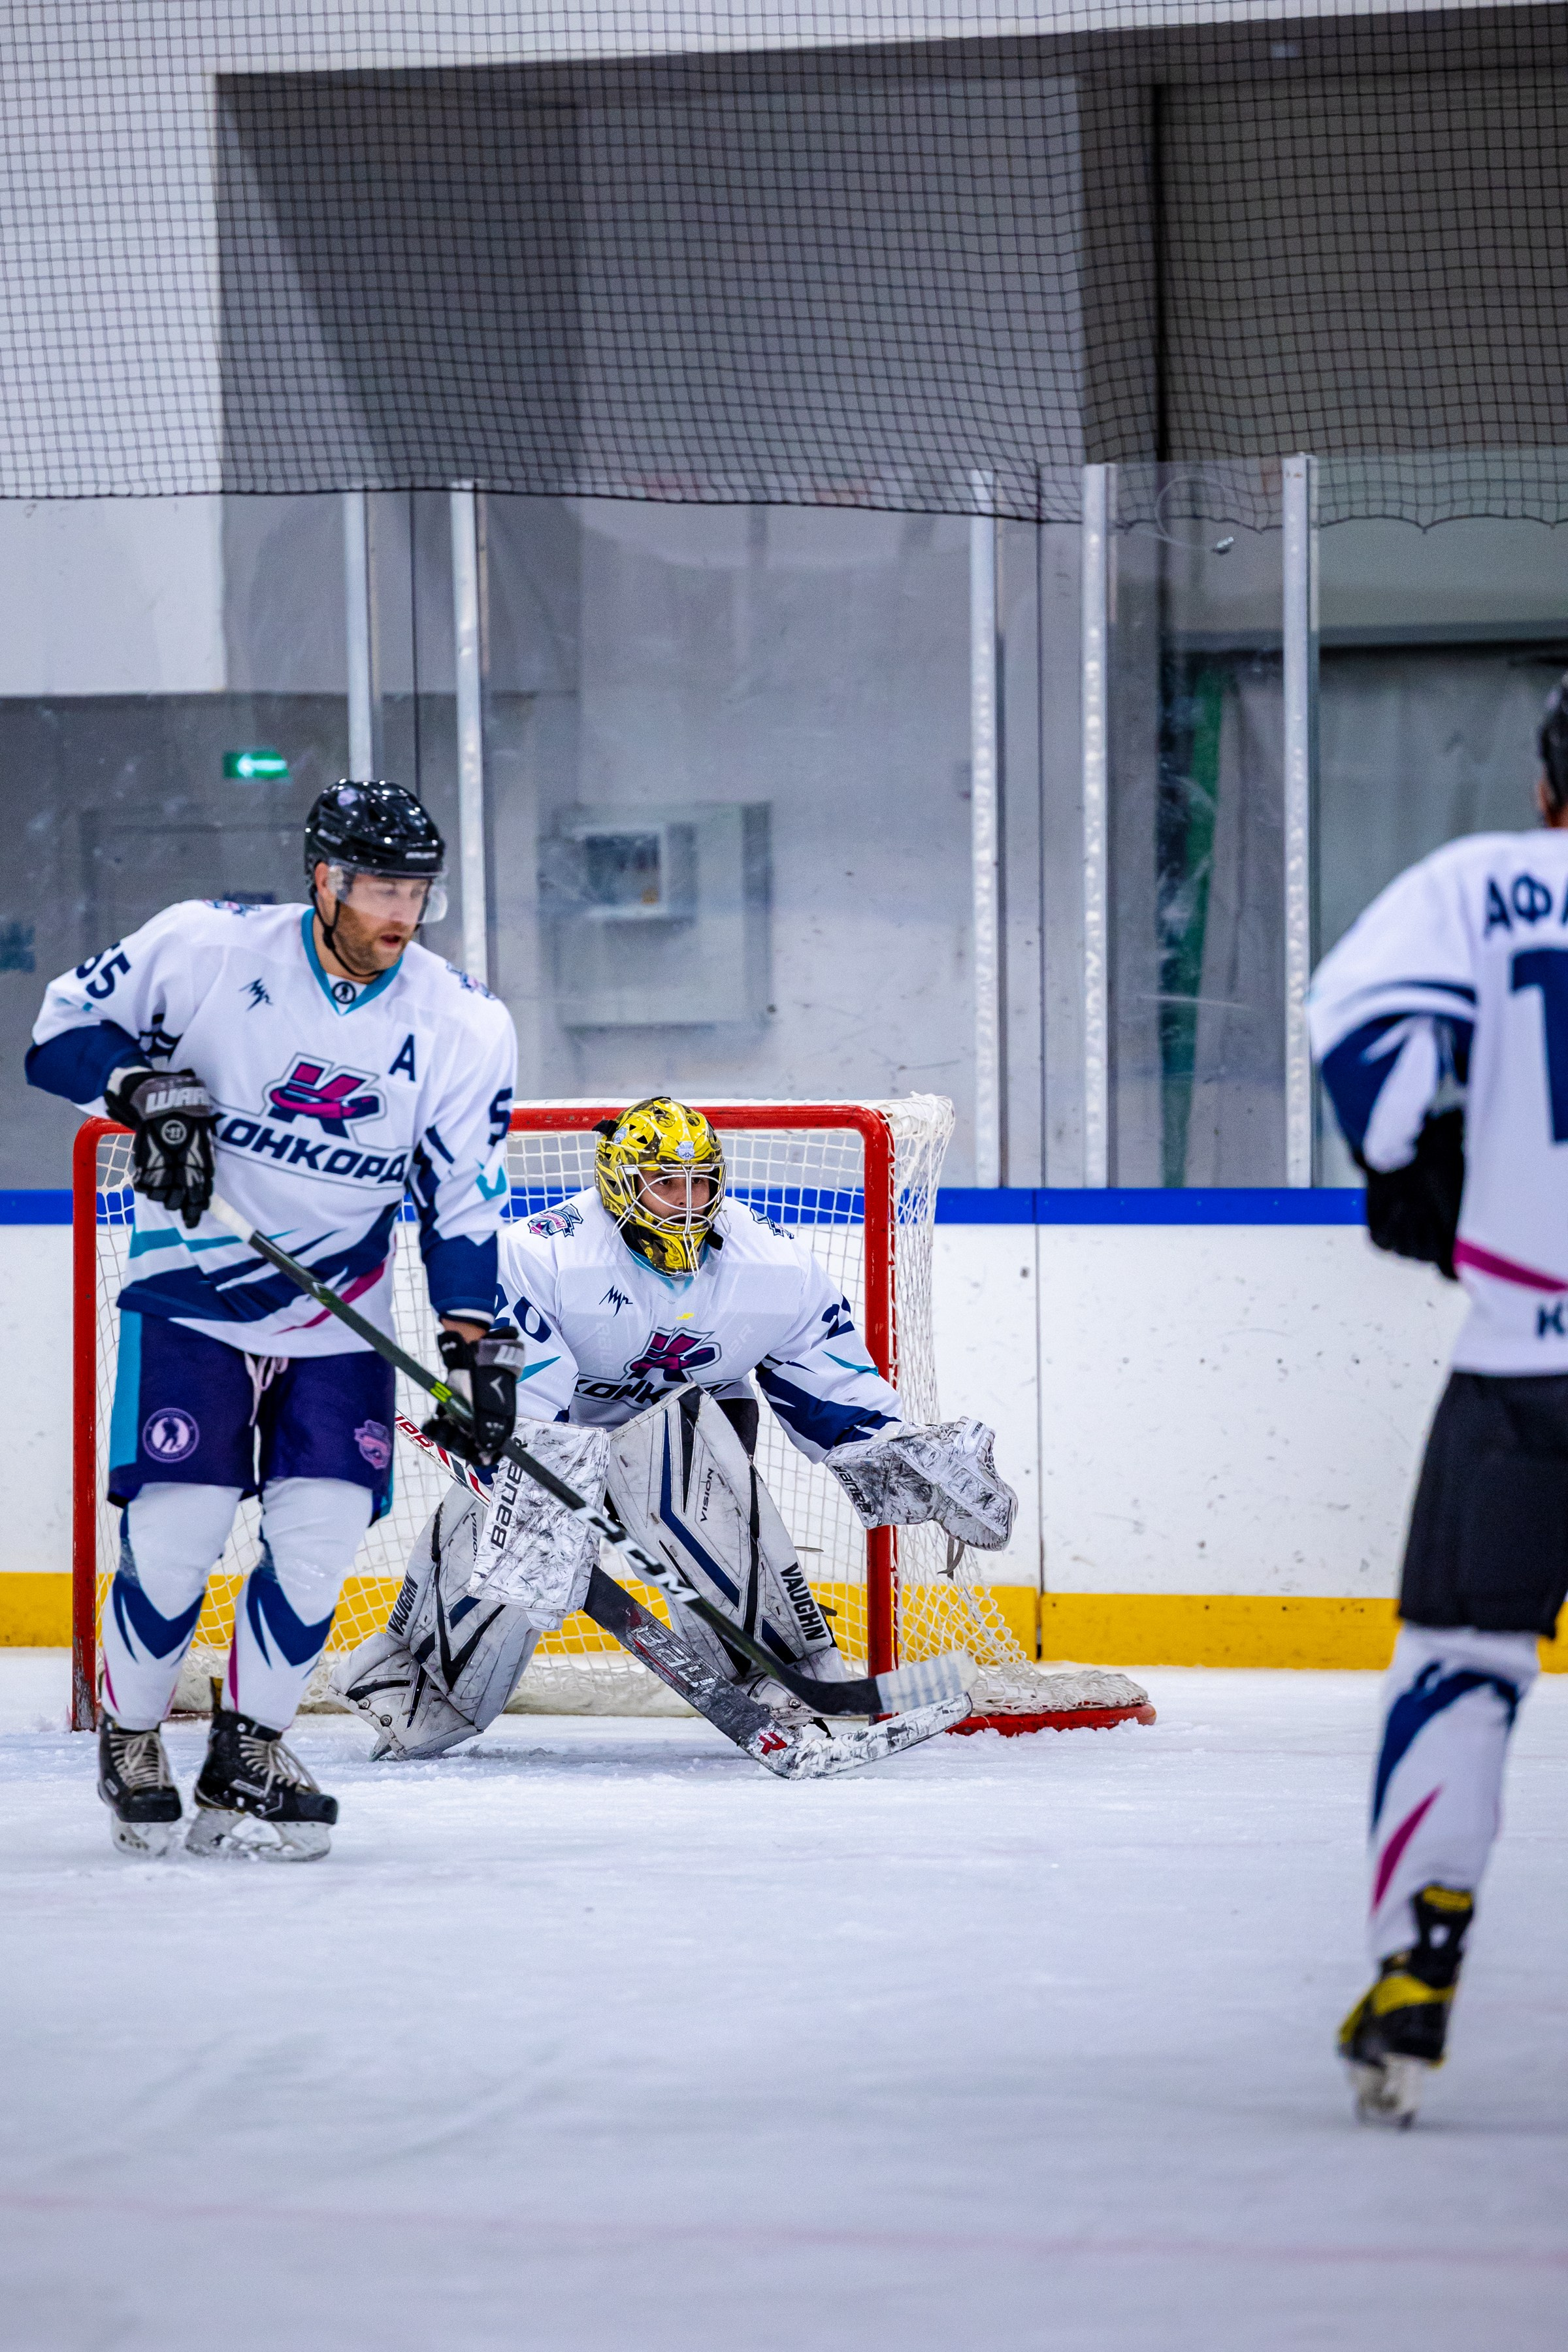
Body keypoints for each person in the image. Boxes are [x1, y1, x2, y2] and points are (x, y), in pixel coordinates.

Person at [28, 781, 519, 1859]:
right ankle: (132, 1735)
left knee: (316, 1549)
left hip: (342, 1319)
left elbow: (463, 1197)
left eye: (419, 894)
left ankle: (248, 1750)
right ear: (326, 878)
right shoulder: (205, 948)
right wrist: (138, 1088)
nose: (401, 915)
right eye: (382, 888)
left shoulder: (462, 1021)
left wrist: (477, 1339)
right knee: (176, 1539)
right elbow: (56, 1034)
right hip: (194, 1291)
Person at [334, 1096, 1015, 1759]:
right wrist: (524, 1483)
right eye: (667, 1184)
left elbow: (826, 1380)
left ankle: (783, 1682)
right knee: (512, 1539)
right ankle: (417, 1689)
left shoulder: (773, 1264)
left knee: (684, 1461)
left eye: (701, 1182)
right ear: (620, 1182)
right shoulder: (542, 1252)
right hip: (556, 1437)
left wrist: (891, 1450)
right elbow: (523, 1399)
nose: (688, 1201)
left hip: (694, 1433)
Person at [1309, 673, 1568, 2123]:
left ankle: (1416, 1974)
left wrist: (1412, 1161)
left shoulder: (1485, 883)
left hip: (1522, 1376)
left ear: (1546, 785)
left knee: (1464, 1670)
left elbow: (1362, 1025)